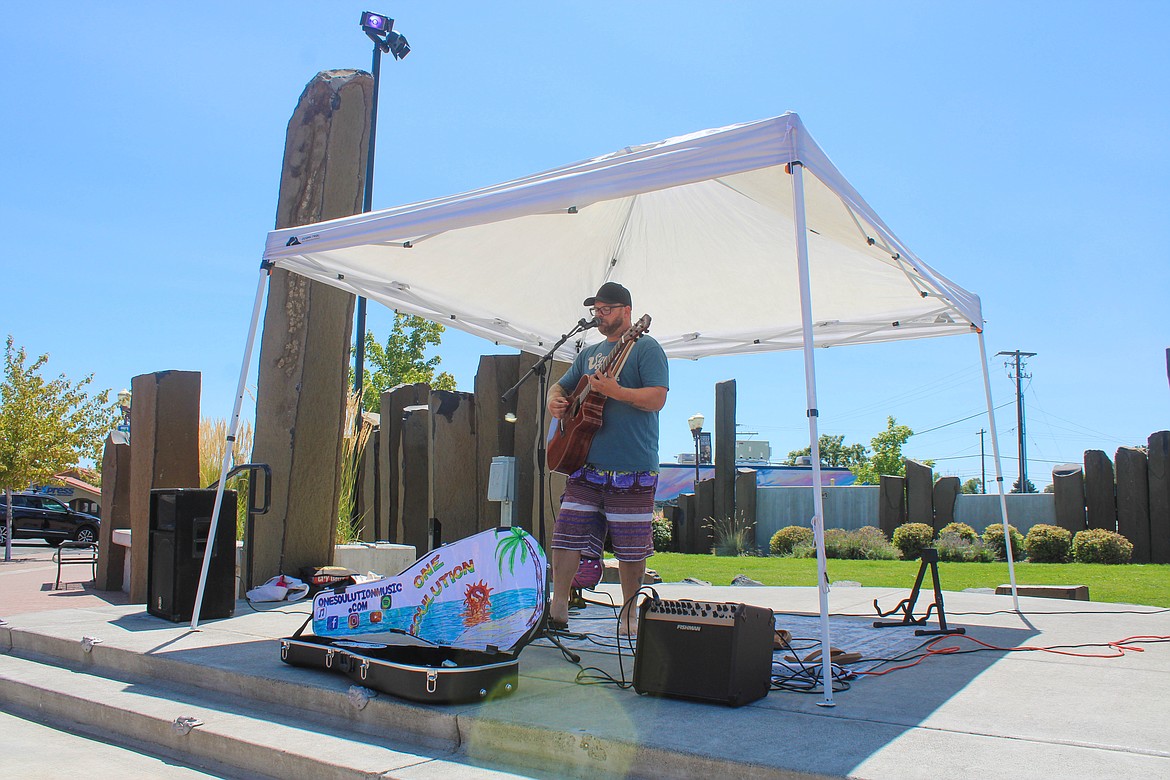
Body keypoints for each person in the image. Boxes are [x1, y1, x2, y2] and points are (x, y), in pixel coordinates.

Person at [546, 281, 669, 635]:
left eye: (607, 309)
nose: (600, 316)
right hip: (585, 464)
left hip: (632, 466)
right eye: (596, 310)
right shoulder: (589, 353)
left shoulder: (646, 348)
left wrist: (618, 392)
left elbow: (657, 398)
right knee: (565, 534)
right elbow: (562, 386)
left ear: (628, 312)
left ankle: (629, 614)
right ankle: (558, 611)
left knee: (631, 547)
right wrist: (556, 401)